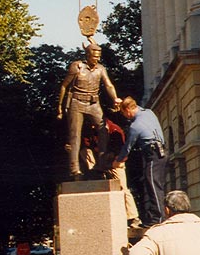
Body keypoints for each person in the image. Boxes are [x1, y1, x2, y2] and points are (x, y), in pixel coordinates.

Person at [57, 41, 122, 179]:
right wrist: (60, 107)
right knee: (75, 136)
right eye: (94, 56)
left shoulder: (100, 69)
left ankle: (102, 164)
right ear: (87, 55)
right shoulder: (77, 67)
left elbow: (108, 85)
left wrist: (115, 98)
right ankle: (75, 170)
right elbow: (64, 86)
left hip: (93, 103)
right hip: (77, 102)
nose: (97, 59)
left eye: (99, 56)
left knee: (103, 129)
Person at [112, 96, 167, 228]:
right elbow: (136, 106)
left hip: (152, 153)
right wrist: (122, 102)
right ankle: (154, 216)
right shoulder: (148, 112)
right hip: (161, 152)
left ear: (128, 110)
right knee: (152, 184)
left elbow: (127, 148)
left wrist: (118, 160)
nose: (125, 116)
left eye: (123, 113)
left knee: (152, 185)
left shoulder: (134, 126)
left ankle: (158, 218)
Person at [80, 118, 142, 228]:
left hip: (114, 160)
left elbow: (122, 151)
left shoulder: (115, 131)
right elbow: (86, 145)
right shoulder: (90, 130)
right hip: (99, 160)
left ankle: (133, 217)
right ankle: (94, 172)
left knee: (123, 187)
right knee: (85, 152)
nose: (93, 128)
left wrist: (114, 162)